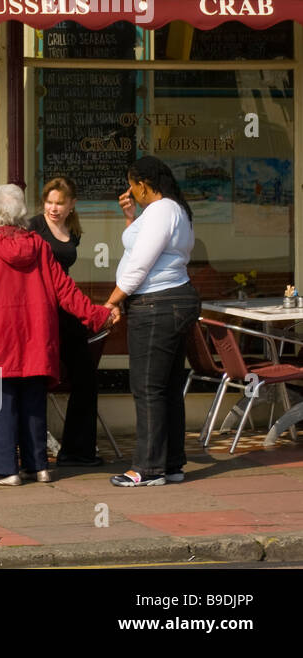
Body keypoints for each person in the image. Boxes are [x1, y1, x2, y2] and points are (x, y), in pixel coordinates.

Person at [0, 185, 114, 486]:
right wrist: (97, 315)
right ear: (21, 214)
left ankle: (6, 470)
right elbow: (65, 291)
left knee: (1, 405)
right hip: (35, 337)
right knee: (33, 404)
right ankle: (38, 466)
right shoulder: (39, 246)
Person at [104, 156, 198, 488]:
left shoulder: (161, 211)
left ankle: (147, 468)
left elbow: (140, 264)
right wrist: (131, 217)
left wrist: (113, 300)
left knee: (147, 388)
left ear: (144, 184)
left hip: (157, 305)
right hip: (172, 301)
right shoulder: (174, 210)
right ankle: (171, 464)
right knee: (167, 387)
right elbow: (139, 250)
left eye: (132, 185)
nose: (130, 191)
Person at [26, 177, 104, 467]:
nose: (53, 208)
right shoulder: (33, 226)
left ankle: (77, 451)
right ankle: (19, 451)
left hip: (66, 309)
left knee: (85, 377)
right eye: (49, 201)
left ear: (72, 204)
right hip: (40, 311)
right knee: (33, 378)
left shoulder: (73, 231)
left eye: (60, 202)